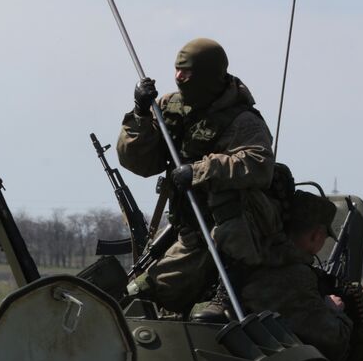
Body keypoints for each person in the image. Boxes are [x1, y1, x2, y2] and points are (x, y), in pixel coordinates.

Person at [116, 37, 280, 315]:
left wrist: (199, 171)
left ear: (207, 75)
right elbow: (139, 162)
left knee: (229, 196)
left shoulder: (243, 120)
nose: (179, 78)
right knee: (139, 294)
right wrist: (141, 113)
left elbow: (259, 163)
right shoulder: (172, 107)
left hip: (231, 235)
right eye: (177, 71)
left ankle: (227, 294)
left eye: (187, 73)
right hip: (190, 233)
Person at [238, 190, 354, 361]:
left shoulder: (251, 260)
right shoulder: (296, 275)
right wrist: (335, 311)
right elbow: (334, 341)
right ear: (316, 236)